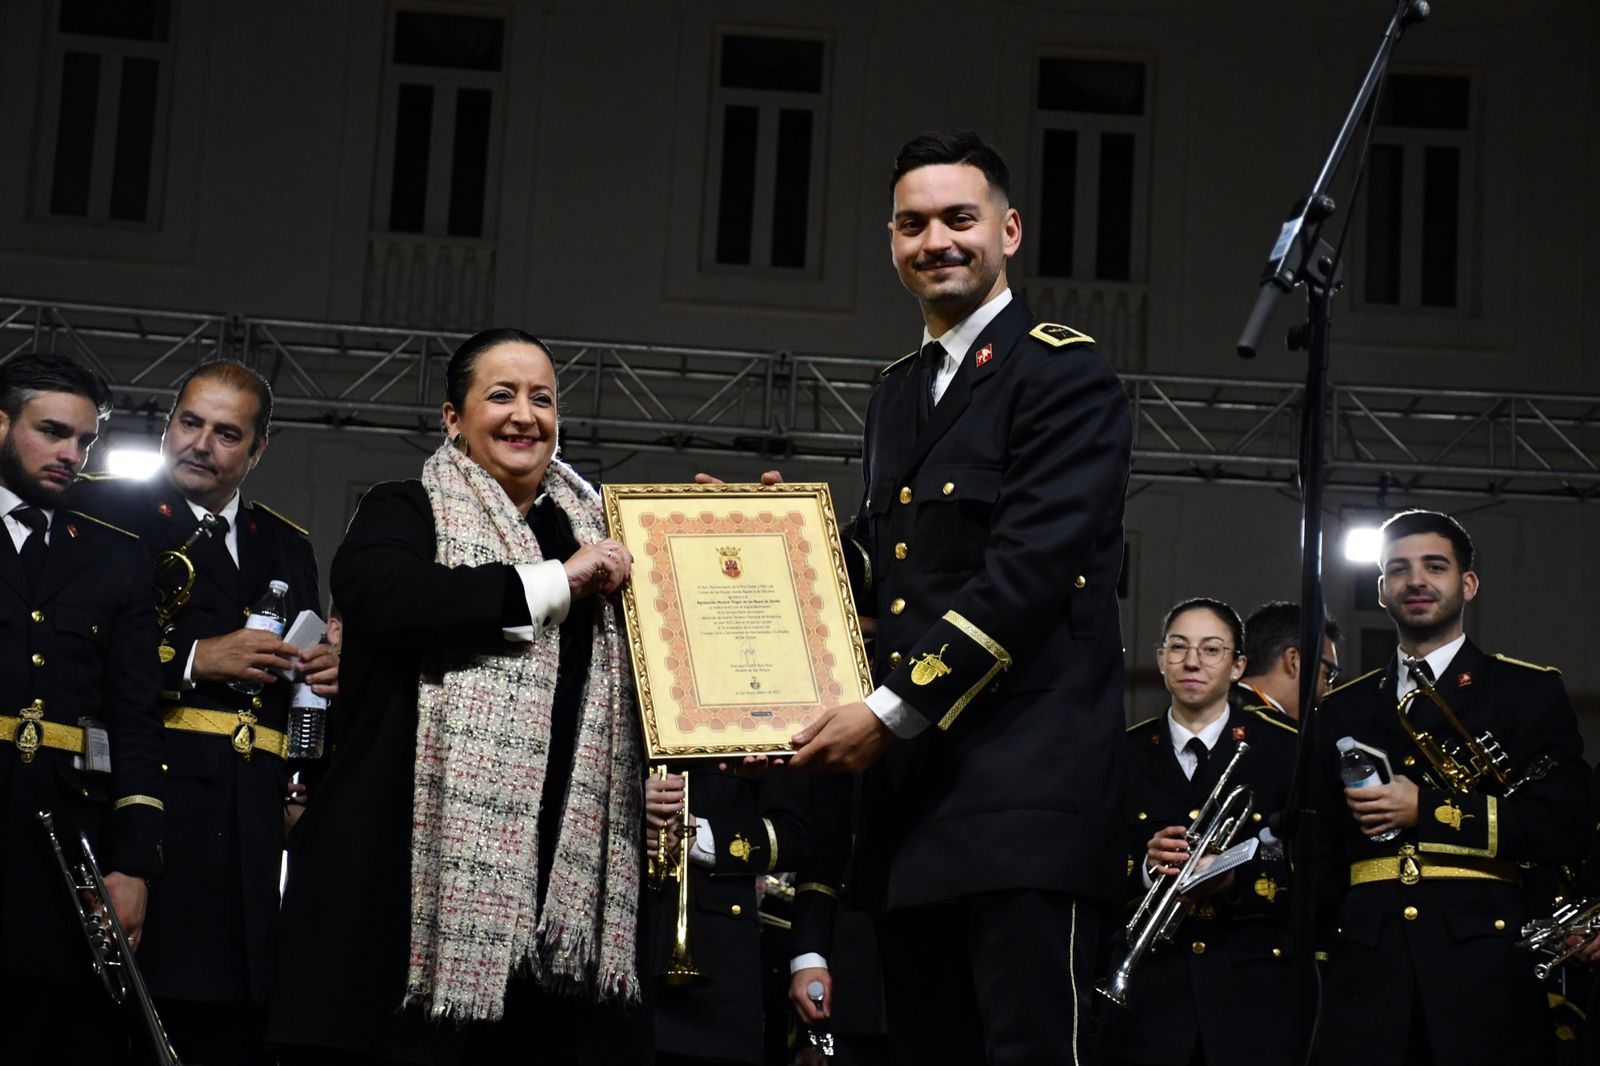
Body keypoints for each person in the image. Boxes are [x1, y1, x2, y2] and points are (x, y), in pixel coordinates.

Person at [787, 129, 1133, 1064]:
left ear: (1009, 231)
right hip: (917, 802)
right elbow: (889, 561)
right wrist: (764, 546)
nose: (935, 240)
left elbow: (1024, 573)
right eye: (912, 224)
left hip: (1027, 799)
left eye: (958, 218)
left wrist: (889, 713)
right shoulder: (901, 390)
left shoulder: (1065, 372)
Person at [268, 328, 647, 1065]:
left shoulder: (604, 530)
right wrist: (555, 580)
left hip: (557, 896)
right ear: (452, 418)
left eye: (542, 398)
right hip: (402, 881)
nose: (524, 415)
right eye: (500, 395)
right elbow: (387, 596)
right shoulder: (405, 509)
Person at [71, 359, 336, 1065]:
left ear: (259, 449)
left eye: (226, 434)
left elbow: (297, 684)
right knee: (129, 1020)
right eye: (189, 423)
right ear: (167, 424)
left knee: (237, 1024)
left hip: (252, 820)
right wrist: (193, 659)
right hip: (146, 805)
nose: (200, 444)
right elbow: (65, 657)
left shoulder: (287, 542)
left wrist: (329, 672)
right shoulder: (99, 510)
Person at [1314, 509, 1588, 1066]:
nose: (1415, 580)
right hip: (1365, 970)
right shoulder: (1341, 706)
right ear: (1382, 590)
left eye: (1434, 567)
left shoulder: (1527, 691)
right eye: (1399, 570)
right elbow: (1318, 844)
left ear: (1467, 585)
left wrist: (1429, 809)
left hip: (1487, 969)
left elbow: (1562, 826)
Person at [0, 353, 165, 1062]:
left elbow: (135, 720)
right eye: (52, 432)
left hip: (59, 846)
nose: (72, 454)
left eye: (86, 441)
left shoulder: (117, 559)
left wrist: (132, 866)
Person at [1095, 598, 1297, 1066]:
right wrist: (1146, 868)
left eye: (1211, 650)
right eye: (1179, 647)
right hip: (1151, 996)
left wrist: (1234, 882)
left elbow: (1318, 870)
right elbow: (1088, 864)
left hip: (1253, 993)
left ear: (1237, 666)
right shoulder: (1121, 754)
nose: (1192, 661)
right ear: (1161, 657)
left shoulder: (1284, 749)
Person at [643, 768, 837, 1065]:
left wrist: (697, 837)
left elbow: (793, 834)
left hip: (715, 980)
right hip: (602, 967)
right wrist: (628, 803)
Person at [1235, 600, 1341, 723]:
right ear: (1293, 661)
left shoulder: (1219, 709)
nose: (1329, 690)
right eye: (1328, 674)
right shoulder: (1276, 734)